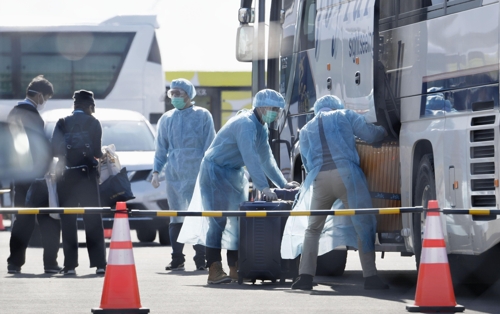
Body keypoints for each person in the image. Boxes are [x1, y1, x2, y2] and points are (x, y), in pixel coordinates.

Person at [178, 89, 300, 284]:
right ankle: (214, 269)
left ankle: (235, 267)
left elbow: (266, 159)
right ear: (262, 106)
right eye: (273, 109)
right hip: (215, 171)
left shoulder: (260, 127)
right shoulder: (245, 124)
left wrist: (283, 183)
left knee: (236, 222)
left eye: (278, 110)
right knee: (217, 220)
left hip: (233, 173)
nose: (276, 113)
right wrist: (264, 187)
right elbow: (250, 157)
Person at [284, 95, 389, 290]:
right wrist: (385, 130)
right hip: (348, 176)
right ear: (335, 105)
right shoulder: (345, 115)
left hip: (320, 179)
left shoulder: (306, 129)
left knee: (313, 228)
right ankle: (371, 277)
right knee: (362, 224)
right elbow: (371, 135)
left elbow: (306, 161)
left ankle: (305, 276)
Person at [151, 78, 215, 271]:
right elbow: (160, 148)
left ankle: (201, 259)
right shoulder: (166, 119)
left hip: (197, 172)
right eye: (172, 93)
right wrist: (156, 171)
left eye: (179, 93)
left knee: (197, 214)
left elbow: (210, 145)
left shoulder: (203, 115)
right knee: (176, 216)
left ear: (189, 94)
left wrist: (209, 170)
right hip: (174, 174)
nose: (175, 97)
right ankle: (177, 257)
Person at [6, 75, 61, 274]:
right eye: (45, 98)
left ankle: (14, 262)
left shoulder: (14, 112)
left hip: (18, 175)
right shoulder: (32, 115)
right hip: (36, 176)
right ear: (39, 95)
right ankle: (51, 264)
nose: (44, 102)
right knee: (49, 219)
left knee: (23, 218)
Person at [51, 90, 106, 275]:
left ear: (74, 105)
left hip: (66, 178)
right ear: (90, 106)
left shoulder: (62, 122)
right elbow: (97, 152)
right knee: (93, 220)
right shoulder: (94, 122)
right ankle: (99, 265)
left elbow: (54, 150)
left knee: (68, 221)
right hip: (87, 177)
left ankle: (69, 267)